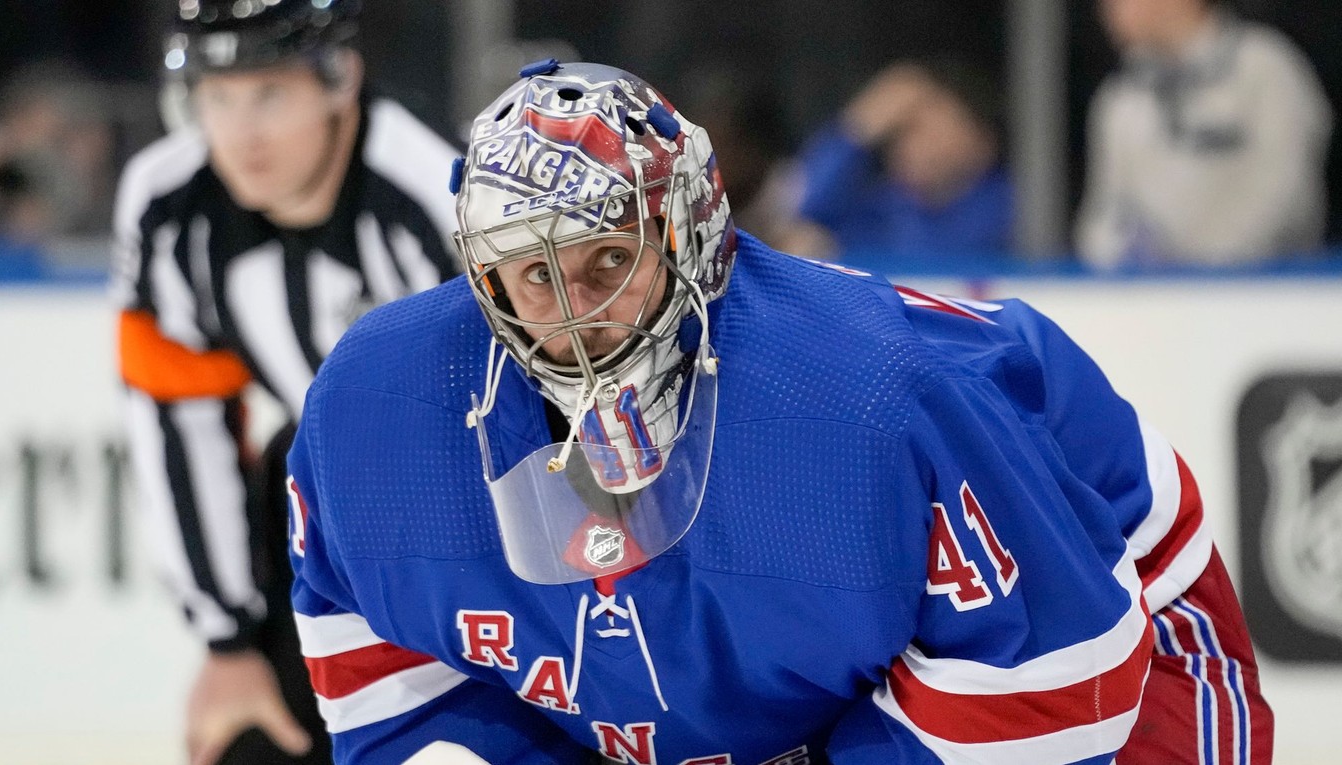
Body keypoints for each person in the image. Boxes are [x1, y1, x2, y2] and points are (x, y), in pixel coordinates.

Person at [287, 61, 1269, 763]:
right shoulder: (377, 405)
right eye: (529, 275)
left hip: (1122, 643)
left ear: (690, 238)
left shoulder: (876, 400)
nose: (571, 314)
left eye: (603, 263)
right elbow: (380, 664)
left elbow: (1056, 685)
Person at [110, 1, 462, 763]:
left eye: (268, 93)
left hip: (479, 538)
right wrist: (227, 641)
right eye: (217, 97)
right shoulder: (170, 205)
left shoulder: (437, 197)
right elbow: (179, 424)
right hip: (323, 506)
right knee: (249, 740)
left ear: (341, 80)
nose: (242, 133)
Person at [1076, 0, 1332, 268]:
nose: (1109, 8)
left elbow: (1285, 191)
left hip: (1269, 289)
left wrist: (1205, 264)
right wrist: (1118, 254)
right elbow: (1103, 214)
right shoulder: (1121, 96)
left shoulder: (1265, 67)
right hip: (1155, 296)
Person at [781, 58, 1014, 267]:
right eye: (898, 132)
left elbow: (936, 263)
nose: (912, 147)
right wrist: (857, 127)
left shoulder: (1010, 205)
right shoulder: (879, 210)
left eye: (925, 129)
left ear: (982, 139)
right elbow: (795, 206)